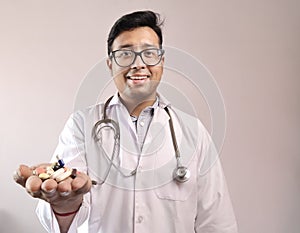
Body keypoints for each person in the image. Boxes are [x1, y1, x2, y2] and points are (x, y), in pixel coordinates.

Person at [14, 10, 238, 233]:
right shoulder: (81, 126)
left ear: (162, 61)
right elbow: (62, 217)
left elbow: (217, 223)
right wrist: (65, 204)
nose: (138, 64)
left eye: (149, 53)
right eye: (125, 54)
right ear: (110, 63)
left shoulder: (193, 132)